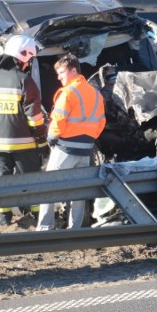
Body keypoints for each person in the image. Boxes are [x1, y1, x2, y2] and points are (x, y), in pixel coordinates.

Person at [0, 34, 47, 225]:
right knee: (31, 181)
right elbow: (34, 117)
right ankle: (37, 217)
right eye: (30, 59)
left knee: (1, 183)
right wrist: (42, 140)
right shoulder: (25, 81)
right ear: (23, 57)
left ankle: (3, 220)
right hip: (23, 144)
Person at [37, 53, 106, 231]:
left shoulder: (68, 93)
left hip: (65, 148)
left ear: (73, 70)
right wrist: (89, 137)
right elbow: (101, 122)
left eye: (61, 73)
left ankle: (45, 228)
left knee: (48, 187)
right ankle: (75, 228)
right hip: (86, 149)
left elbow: (58, 119)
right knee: (79, 190)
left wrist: (51, 138)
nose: (59, 77)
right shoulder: (95, 93)